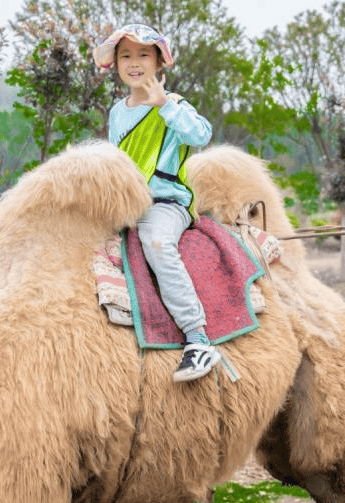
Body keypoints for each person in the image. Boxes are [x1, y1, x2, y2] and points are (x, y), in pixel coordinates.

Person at [93, 23, 220, 382]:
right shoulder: (118, 112)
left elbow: (202, 134)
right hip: (125, 205)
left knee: (157, 243)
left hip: (164, 204)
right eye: (126, 55)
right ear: (116, 64)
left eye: (143, 54)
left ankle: (197, 338)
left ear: (159, 62)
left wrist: (164, 105)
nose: (134, 63)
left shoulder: (174, 103)